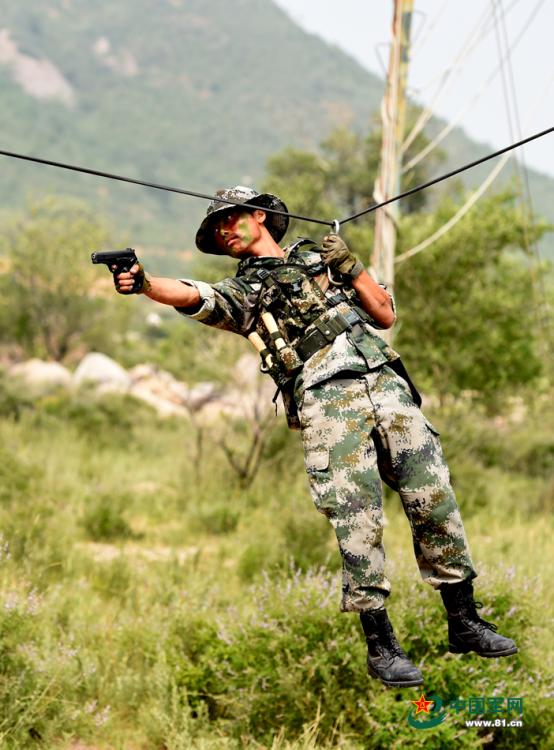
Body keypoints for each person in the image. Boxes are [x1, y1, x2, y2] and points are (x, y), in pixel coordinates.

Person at [111, 186, 517, 688]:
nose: (223, 232)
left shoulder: (321, 260)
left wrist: (351, 267)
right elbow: (195, 294)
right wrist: (145, 283)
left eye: (229, 220)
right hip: (328, 404)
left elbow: (385, 314)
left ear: (259, 215)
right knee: (357, 518)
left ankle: (465, 621)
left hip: (386, 386)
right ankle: (382, 647)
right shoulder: (243, 292)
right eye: (216, 230)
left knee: (434, 500)